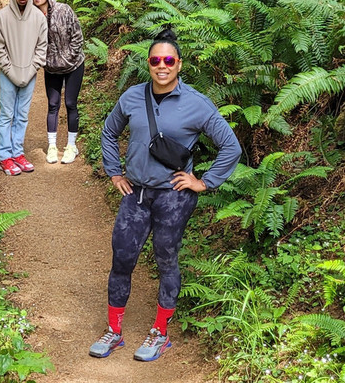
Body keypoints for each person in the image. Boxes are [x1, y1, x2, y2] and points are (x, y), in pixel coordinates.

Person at [89, 28, 241, 362]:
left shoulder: (196, 104)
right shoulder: (132, 96)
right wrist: (114, 172)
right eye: (156, 60)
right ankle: (114, 331)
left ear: (179, 65)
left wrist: (204, 182)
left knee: (165, 259)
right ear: (148, 63)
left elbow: (231, 146)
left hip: (173, 196)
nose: (162, 66)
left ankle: (160, 333)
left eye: (169, 61)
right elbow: (109, 131)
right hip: (135, 193)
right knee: (122, 259)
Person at [0, 0, 48, 176]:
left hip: (29, 74)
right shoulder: (1, 17)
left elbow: (42, 47)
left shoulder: (39, 18)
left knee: (22, 115)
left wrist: (31, 70)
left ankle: (17, 152)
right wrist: (11, 71)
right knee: (7, 114)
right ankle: (4, 156)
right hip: (8, 74)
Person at [32, 0, 85, 164]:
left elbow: (77, 36)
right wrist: (45, 61)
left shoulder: (64, 10)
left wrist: (68, 57)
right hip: (51, 68)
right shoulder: (33, 17)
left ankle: (71, 146)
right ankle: (52, 147)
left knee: (70, 103)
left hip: (74, 65)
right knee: (53, 104)